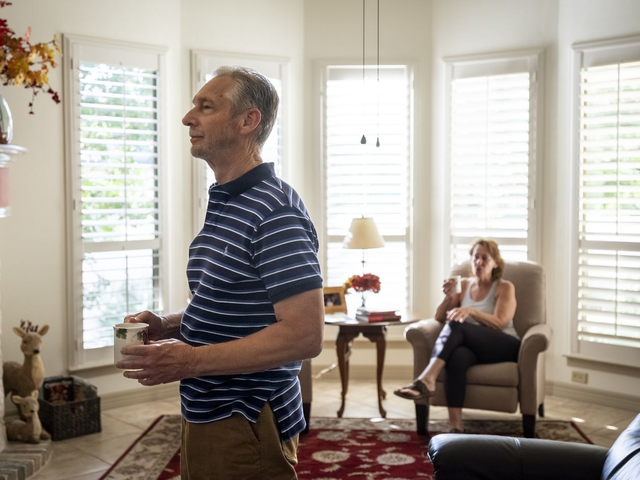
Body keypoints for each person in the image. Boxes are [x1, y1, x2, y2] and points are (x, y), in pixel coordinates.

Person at [117, 66, 324, 480]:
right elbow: (233, 303)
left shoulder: (274, 210)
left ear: (248, 121)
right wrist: (168, 324)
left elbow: (304, 334)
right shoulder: (230, 200)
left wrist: (189, 361)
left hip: (246, 417)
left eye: (206, 106)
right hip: (210, 410)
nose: (187, 117)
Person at [393, 239, 518, 433]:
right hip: (474, 347)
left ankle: (427, 378)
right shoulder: (465, 284)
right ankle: (456, 427)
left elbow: (500, 322)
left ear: (495, 263)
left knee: (456, 325)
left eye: (485, 258)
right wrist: (449, 298)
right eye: (476, 257)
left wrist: (471, 311)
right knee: (457, 357)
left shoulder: (504, 287)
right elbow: (439, 317)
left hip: (504, 345)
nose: (479, 262)